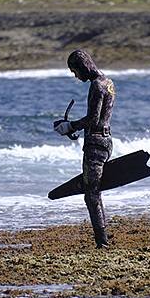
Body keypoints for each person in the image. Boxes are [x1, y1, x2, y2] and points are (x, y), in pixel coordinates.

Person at [54, 50, 115, 249]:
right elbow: (100, 120)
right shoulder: (108, 82)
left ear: (83, 67)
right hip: (106, 141)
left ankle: (102, 242)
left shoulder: (96, 86)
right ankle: (103, 238)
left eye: (75, 71)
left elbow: (93, 119)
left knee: (92, 194)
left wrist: (70, 126)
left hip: (95, 145)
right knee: (96, 191)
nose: (76, 76)